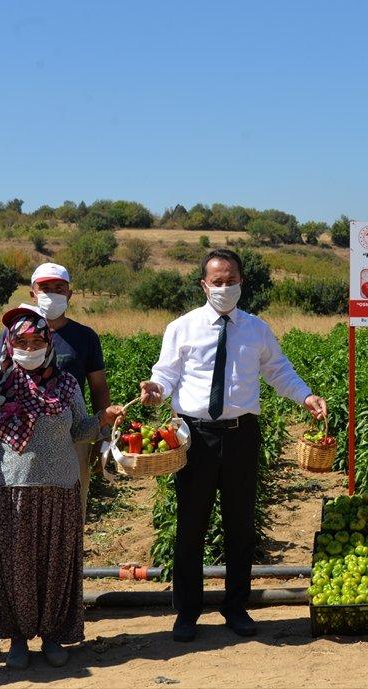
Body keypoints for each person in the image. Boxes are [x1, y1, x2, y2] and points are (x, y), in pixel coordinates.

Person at [139, 248, 327, 642]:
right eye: (217, 281)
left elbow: (279, 370)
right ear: (204, 284)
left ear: (242, 282)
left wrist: (305, 396)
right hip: (195, 436)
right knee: (191, 525)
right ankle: (187, 612)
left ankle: (236, 607)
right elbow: (166, 374)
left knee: (239, 524)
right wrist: (155, 391)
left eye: (232, 280)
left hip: (242, 434)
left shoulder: (256, 329)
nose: (225, 287)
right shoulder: (182, 327)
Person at [0, 306, 123, 670]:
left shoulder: (66, 385)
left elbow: (79, 430)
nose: (30, 347)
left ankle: (52, 635)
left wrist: (102, 420)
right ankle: (17, 638)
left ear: (48, 344)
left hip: (60, 485)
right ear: (10, 343)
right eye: (22, 341)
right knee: (14, 567)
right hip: (8, 486)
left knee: (56, 565)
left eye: (37, 340)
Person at [0, 262, 111, 518]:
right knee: (21, 513)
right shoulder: (12, 332)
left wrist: (103, 435)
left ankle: (66, 559)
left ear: (69, 294)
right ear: (32, 292)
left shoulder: (84, 336)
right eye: (45, 288)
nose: (52, 293)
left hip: (71, 436)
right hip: (22, 439)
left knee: (69, 512)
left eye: (59, 288)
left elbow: (98, 386)